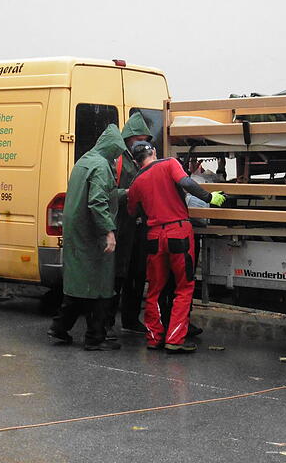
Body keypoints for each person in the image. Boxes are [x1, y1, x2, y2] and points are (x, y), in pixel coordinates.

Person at [127, 141, 226, 354]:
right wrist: (211, 197)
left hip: (153, 236)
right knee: (184, 287)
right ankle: (174, 338)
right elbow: (187, 183)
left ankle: (154, 338)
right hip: (178, 231)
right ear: (153, 151)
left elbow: (132, 211)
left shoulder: (136, 182)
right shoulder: (169, 163)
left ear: (136, 161)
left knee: (155, 289)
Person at [47, 124, 126, 351]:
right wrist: (108, 231)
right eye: (116, 154)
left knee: (79, 286)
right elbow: (97, 202)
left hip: (76, 235)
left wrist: (125, 193)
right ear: (112, 149)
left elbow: (96, 195)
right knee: (102, 288)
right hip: (93, 237)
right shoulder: (101, 167)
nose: (116, 159)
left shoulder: (83, 161)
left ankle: (59, 327)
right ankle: (95, 338)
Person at [106, 112, 153, 337]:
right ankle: (106, 321)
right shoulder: (117, 159)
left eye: (145, 139)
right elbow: (106, 193)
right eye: (138, 139)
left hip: (139, 226)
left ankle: (131, 319)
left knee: (137, 272)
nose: (141, 143)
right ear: (128, 139)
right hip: (121, 225)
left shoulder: (145, 159)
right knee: (117, 273)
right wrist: (128, 193)